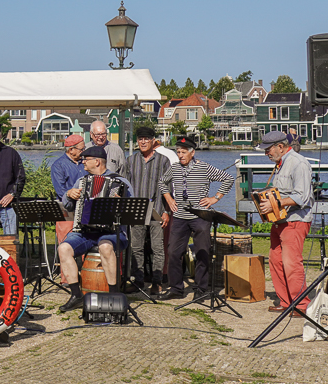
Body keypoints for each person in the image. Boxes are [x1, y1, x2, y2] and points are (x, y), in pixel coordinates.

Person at [56, 146, 133, 312]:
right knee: (63, 248)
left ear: (97, 162)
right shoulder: (81, 181)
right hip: (86, 232)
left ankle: (114, 295)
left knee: (105, 246)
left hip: (113, 233)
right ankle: (76, 294)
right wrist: (68, 194)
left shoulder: (121, 182)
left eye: (86, 159)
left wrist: (122, 202)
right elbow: (68, 206)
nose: (83, 162)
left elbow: (132, 211)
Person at [159, 135, 235, 299]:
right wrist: (169, 199)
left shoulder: (204, 168)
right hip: (179, 216)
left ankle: (201, 289)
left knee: (202, 252)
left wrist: (215, 198)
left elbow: (228, 178)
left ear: (192, 153)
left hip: (200, 215)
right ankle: (176, 289)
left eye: (183, 152)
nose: (180, 155)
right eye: (178, 152)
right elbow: (162, 182)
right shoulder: (174, 168)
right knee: (173, 252)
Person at [256, 131, 314, 313]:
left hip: (295, 220)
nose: (266, 154)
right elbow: (283, 191)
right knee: (275, 261)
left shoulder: (298, 163)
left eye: (268, 150)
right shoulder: (282, 163)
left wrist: (274, 202)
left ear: (280, 147)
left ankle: (301, 305)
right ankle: (286, 302)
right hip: (281, 220)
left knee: (291, 263)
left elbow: (301, 197)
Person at [124, 126, 171, 297]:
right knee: (136, 247)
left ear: (153, 141)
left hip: (157, 209)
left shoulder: (163, 161)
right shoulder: (131, 160)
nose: (143, 142)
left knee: (157, 247)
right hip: (136, 210)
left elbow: (169, 187)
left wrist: (167, 211)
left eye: (146, 139)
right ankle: (138, 281)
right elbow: (126, 186)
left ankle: (157, 282)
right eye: (140, 139)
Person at [49, 133, 87, 244]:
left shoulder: (85, 162)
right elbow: (60, 190)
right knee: (66, 244)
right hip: (67, 210)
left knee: (86, 244)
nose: (84, 151)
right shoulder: (58, 165)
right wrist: (71, 194)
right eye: (81, 149)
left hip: (85, 209)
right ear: (71, 150)